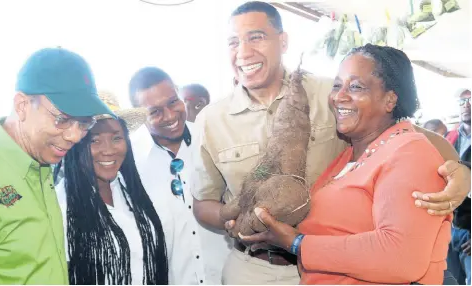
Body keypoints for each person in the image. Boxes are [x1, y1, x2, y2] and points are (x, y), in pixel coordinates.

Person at [190, 1, 470, 285]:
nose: (244, 51)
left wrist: (462, 174)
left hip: (344, 265)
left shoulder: (331, 92)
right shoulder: (211, 120)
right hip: (255, 268)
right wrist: (236, 223)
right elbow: (203, 203)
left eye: (256, 37)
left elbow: (411, 136)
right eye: (233, 42)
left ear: (282, 40)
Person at [239, 44, 452, 285]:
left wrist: (297, 243)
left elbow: (401, 257)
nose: (339, 96)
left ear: (390, 100)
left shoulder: (411, 153)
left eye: (356, 86)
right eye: (337, 85)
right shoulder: (349, 156)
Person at [0, 47, 113, 284]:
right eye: (62, 119)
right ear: (21, 105)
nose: (74, 135)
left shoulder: (40, 161)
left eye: (84, 123)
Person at [129, 67, 232, 285]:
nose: (169, 116)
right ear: (139, 115)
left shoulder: (212, 139)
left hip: (226, 277)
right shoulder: (128, 160)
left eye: (173, 102)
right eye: (155, 111)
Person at [55, 93, 171, 284]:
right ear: (77, 145)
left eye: (117, 138)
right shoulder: (61, 207)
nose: (108, 150)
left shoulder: (132, 191)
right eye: (94, 140)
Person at [445, 88, 471, 285]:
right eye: (462, 102)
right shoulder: (450, 138)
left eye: (471, 100)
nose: (466, 106)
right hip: (451, 227)